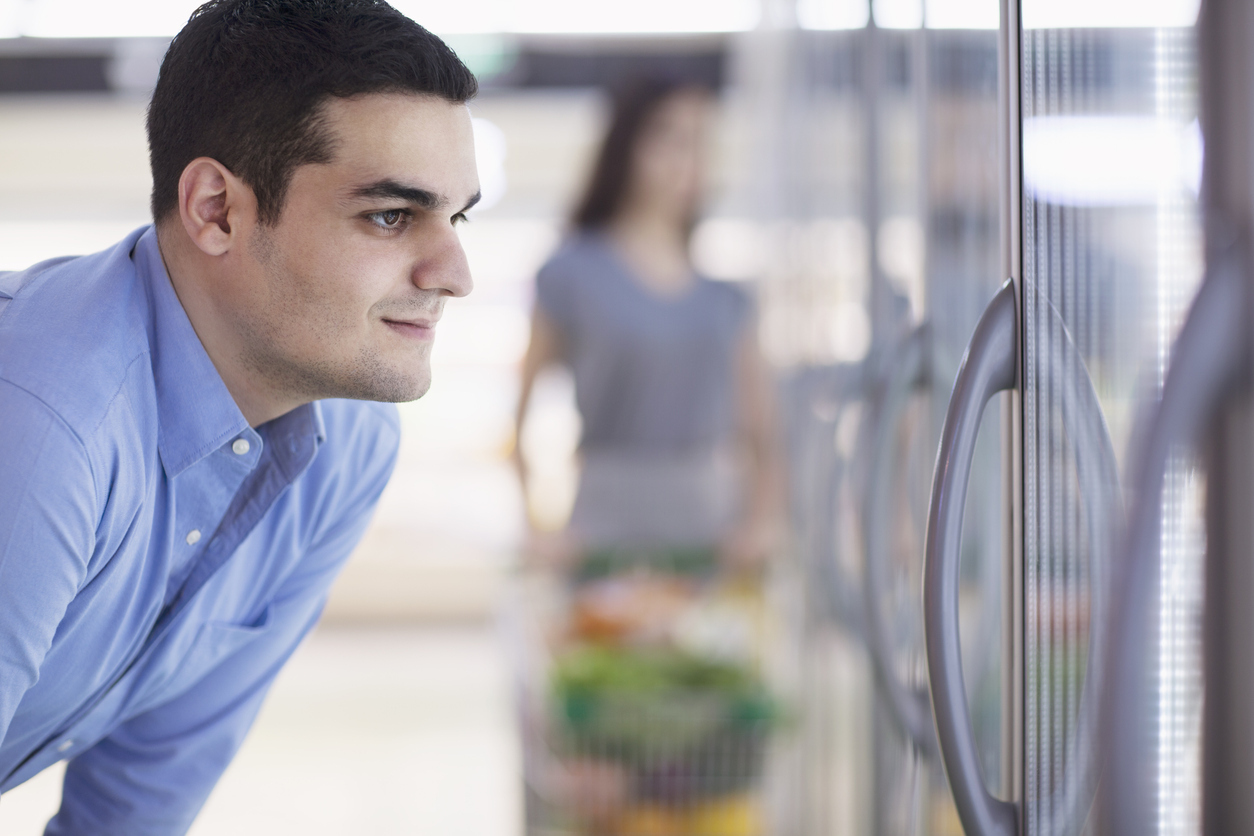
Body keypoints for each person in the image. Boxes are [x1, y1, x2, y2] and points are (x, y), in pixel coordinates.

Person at [0, 1, 478, 831]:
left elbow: (138, 803)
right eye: (391, 215)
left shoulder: (348, 446)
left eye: (458, 216)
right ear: (217, 210)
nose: (455, 272)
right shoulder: (43, 424)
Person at [513, 78, 782, 571]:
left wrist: (761, 524)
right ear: (627, 144)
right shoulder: (571, 274)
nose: (687, 158)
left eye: (700, 141)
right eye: (669, 136)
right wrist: (536, 528)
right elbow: (520, 418)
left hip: (711, 537)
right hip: (602, 535)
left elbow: (763, 434)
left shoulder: (727, 301)